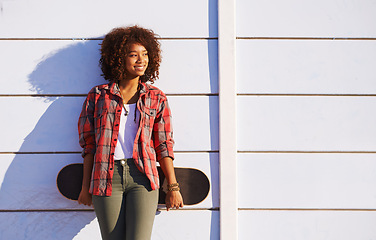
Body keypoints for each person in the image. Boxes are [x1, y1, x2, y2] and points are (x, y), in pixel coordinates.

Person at [77, 25, 184, 240]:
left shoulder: (156, 98)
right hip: (105, 177)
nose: (141, 60)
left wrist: (172, 186)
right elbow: (89, 145)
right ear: (118, 58)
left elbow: (163, 144)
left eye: (145, 54)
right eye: (134, 55)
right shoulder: (97, 96)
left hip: (143, 177)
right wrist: (85, 187)